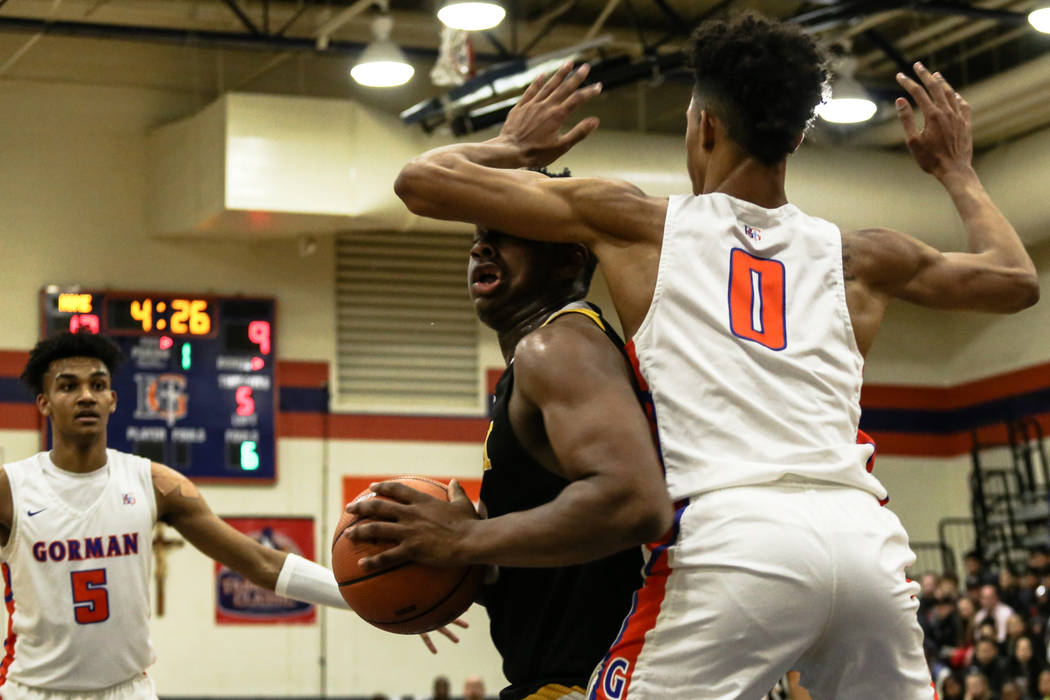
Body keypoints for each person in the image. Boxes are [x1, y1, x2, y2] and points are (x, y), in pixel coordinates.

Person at [391, 12, 1039, 699]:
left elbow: (420, 181)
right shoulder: (862, 256)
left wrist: (514, 144)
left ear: (703, 125)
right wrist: (956, 171)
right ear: (794, 137)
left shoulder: (639, 223)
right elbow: (1015, 281)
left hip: (734, 541)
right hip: (866, 543)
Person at [0, 331, 457, 699]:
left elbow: (260, 562)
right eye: (68, 386)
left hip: (127, 690)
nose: (86, 396)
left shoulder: (155, 484)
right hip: (32, 689)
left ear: (114, 400)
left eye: (97, 385)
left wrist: (372, 599)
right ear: (43, 403)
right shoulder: (11, 489)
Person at [345, 205, 672, 699]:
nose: (480, 248)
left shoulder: (558, 348)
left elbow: (632, 501)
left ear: (569, 259)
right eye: (478, 237)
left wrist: (464, 541)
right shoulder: (539, 360)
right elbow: (579, 556)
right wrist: (462, 564)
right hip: (561, 675)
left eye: (509, 235)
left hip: (594, 678)